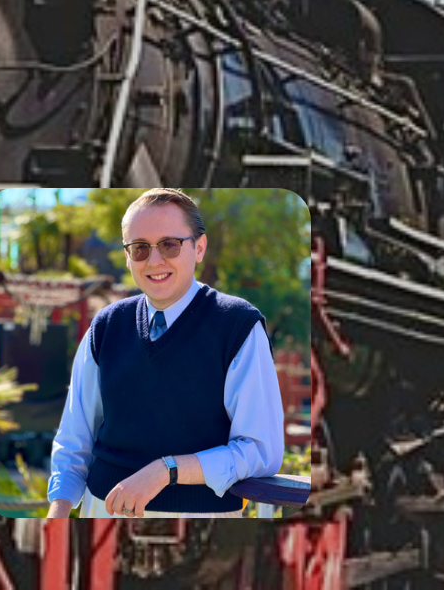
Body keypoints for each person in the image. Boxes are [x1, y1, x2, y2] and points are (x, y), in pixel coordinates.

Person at [45, 188, 285, 518]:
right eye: (140, 248)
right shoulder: (107, 325)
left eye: (169, 245)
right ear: (127, 257)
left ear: (199, 248)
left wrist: (167, 470)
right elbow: (75, 440)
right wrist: (57, 516)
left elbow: (260, 451)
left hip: (201, 525)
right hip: (101, 513)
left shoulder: (238, 325)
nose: (154, 260)